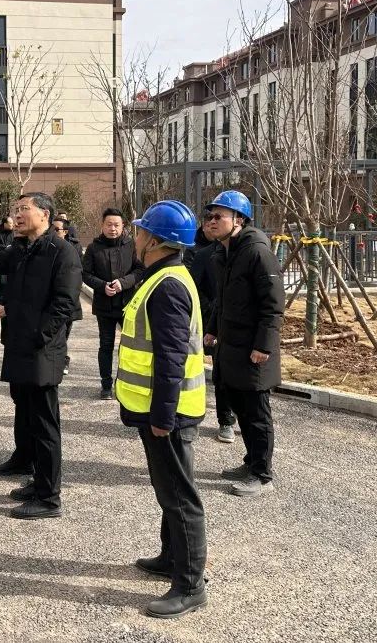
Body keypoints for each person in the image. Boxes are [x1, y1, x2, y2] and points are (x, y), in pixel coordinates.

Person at [117, 200, 208, 619]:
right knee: (168, 491)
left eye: (140, 231)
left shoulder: (168, 285)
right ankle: (172, 558)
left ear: (154, 241)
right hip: (163, 409)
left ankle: (190, 586)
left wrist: (162, 417)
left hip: (169, 412)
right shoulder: (164, 276)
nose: (135, 237)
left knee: (179, 497)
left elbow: (172, 358)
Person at [0, 193, 81, 520]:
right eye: (15, 210)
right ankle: (36, 479)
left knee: (45, 424)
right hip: (19, 344)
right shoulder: (21, 248)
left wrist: (37, 336)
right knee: (28, 414)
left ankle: (49, 498)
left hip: (41, 350)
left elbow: (64, 304)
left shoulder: (61, 251)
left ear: (44, 215)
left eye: (24, 209)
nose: (17, 215)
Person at [202, 190, 283, 497]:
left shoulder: (257, 252)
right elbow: (222, 300)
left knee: (256, 413)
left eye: (218, 216)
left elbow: (273, 305)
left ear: (239, 220)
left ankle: (262, 474)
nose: (211, 222)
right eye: (209, 216)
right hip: (230, 347)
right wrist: (212, 330)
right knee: (241, 407)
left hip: (253, 350)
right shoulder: (222, 254)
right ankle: (251, 462)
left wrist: (264, 346)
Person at [82, 207, 142, 399]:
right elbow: (85, 274)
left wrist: (123, 283)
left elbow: (140, 270)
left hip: (128, 304)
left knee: (130, 346)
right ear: (102, 225)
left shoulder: (131, 245)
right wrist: (102, 286)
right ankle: (106, 385)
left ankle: (128, 382)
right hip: (104, 306)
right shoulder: (93, 248)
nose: (113, 229)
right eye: (109, 225)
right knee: (106, 345)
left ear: (123, 226)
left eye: (116, 225)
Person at [188, 229, 235, 443]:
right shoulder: (204, 255)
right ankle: (226, 420)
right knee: (221, 372)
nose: (214, 223)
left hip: (243, 324)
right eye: (212, 218)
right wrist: (212, 308)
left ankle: (244, 415)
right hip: (215, 323)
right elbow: (194, 288)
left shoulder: (250, 254)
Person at [52, 217, 84, 375]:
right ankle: (58, 361)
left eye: (56, 229)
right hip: (50, 299)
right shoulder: (45, 246)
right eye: (51, 228)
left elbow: (79, 272)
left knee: (64, 332)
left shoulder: (73, 248)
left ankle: (63, 360)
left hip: (68, 299)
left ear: (65, 232)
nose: (53, 232)